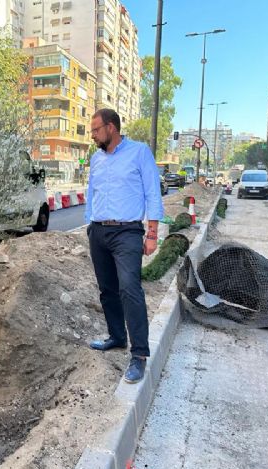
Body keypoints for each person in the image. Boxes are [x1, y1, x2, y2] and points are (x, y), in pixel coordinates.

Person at [85, 108, 164, 384]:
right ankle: (117, 337)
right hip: (98, 231)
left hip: (127, 231)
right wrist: (89, 225)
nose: (92, 134)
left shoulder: (139, 152)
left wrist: (152, 233)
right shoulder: (96, 158)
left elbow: (152, 192)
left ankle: (139, 355)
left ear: (111, 127)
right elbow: (92, 190)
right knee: (107, 290)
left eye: (96, 129)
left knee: (130, 289)